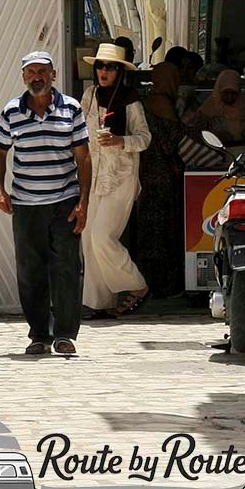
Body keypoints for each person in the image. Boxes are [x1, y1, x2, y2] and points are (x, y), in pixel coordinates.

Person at [0, 50, 91, 357]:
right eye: (31, 72)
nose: (37, 77)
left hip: (64, 202)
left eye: (42, 72)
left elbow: (83, 157)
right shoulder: (11, 112)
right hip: (26, 204)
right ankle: (38, 334)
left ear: (53, 75)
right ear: (24, 77)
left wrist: (83, 202)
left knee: (66, 269)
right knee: (30, 270)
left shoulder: (71, 109)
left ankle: (64, 335)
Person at [79, 44, 152, 317]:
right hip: (93, 176)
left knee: (102, 236)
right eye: (100, 66)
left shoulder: (130, 100)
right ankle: (100, 302)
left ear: (119, 71)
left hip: (121, 177)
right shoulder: (89, 95)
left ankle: (137, 285)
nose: (103, 71)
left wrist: (120, 140)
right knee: (87, 237)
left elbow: (145, 138)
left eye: (110, 67)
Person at [187, 70, 245, 156]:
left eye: (234, 93)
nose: (230, 97)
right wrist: (216, 136)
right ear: (219, 90)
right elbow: (196, 134)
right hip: (216, 156)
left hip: (243, 155)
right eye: (226, 93)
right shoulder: (209, 108)